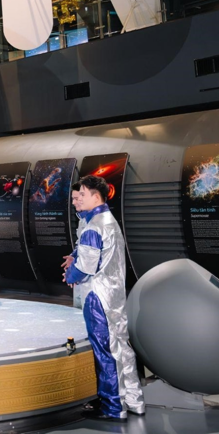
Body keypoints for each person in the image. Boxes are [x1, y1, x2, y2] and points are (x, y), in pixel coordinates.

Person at [63, 176, 144, 421]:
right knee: (121, 346)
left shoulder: (93, 226)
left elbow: (85, 267)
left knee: (105, 349)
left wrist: (70, 274)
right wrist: (76, 256)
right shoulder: (108, 220)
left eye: (82, 195)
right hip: (114, 294)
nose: (77, 200)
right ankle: (133, 399)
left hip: (97, 296)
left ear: (95, 196)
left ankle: (112, 406)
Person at [62, 183, 91, 309]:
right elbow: (81, 244)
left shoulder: (96, 222)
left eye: (76, 198)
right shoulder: (83, 219)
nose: (73, 203)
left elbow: (92, 255)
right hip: (83, 279)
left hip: (94, 282)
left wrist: (73, 274)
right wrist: (74, 256)